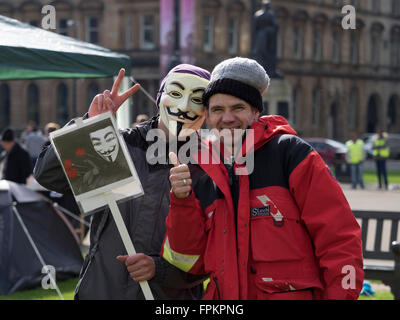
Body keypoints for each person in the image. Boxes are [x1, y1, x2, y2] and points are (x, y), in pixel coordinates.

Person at [162, 57, 364, 300]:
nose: (227, 118)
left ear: (256, 111)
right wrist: (182, 200)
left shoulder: (291, 153)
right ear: (207, 115)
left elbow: (339, 238)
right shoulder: (202, 169)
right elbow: (190, 261)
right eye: (217, 109)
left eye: (238, 108)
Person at [34, 65, 211, 300]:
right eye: (176, 93)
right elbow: (50, 175)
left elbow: (216, 252)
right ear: (160, 97)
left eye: (197, 99)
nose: (185, 106)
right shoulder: (120, 146)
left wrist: (160, 270)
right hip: (102, 290)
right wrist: (90, 126)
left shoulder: (211, 168)